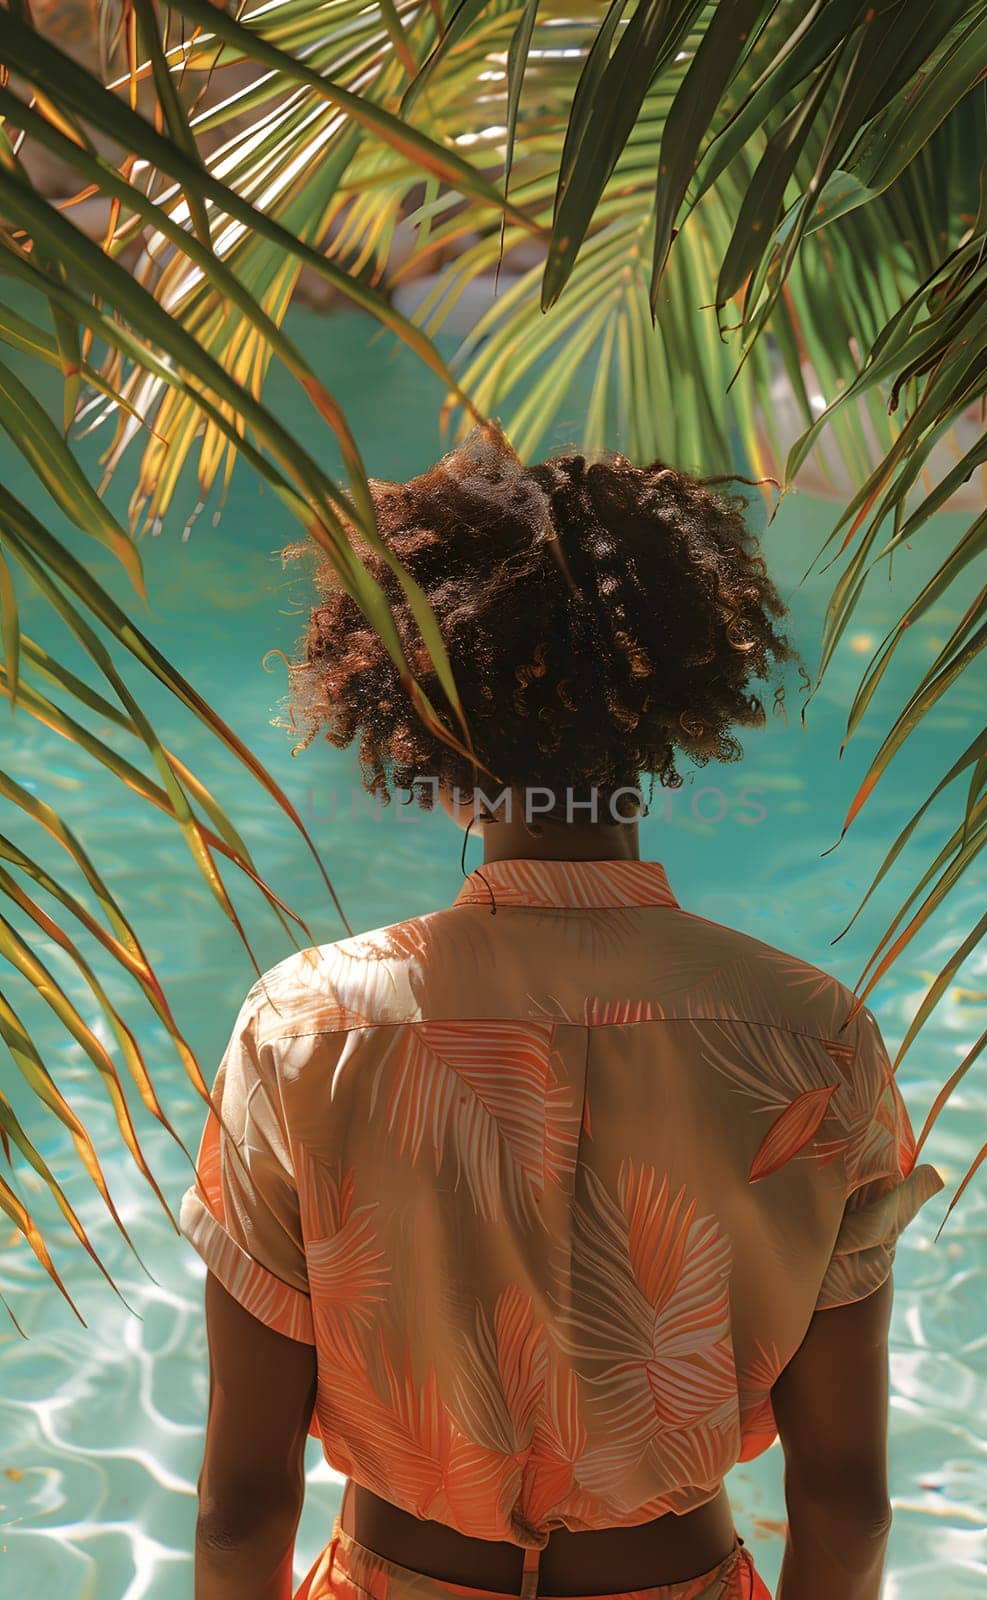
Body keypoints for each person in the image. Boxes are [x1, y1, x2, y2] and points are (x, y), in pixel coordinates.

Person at [179, 421, 944, 1600]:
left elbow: (240, 1513)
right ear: (671, 698)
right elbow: (845, 1505)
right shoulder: (814, 1033)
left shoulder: (302, 1029)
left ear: (419, 707)